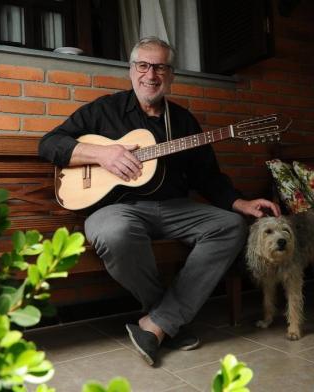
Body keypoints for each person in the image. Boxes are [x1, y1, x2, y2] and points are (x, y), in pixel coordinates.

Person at [39, 36, 280, 366]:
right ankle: (169, 320)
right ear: (131, 70)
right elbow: (50, 144)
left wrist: (241, 203)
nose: (151, 75)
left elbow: (207, 176)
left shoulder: (182, 122)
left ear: (171, 75)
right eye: (144, 65)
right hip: (115, 209)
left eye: (161, 67)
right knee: (113, 233)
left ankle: (155, 324)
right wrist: (103, 153)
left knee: (230, 226)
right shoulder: (103, 111)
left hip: (173, 208)